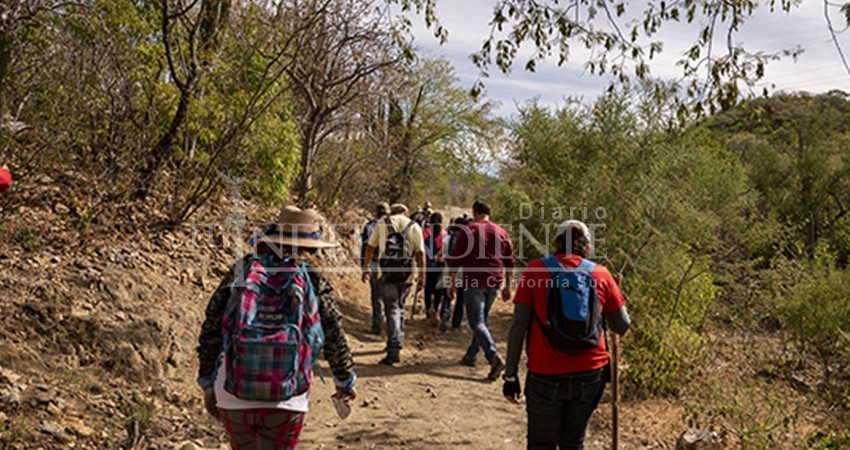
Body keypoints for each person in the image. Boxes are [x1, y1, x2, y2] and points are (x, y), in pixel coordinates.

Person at [197, 206, 357, 450]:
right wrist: (344, 380)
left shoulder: (242, 270)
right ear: (309, 246)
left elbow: (213, 325)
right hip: (289, 396)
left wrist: (207, 382)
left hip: (232, 390)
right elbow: (332, 332)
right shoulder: (311, 278)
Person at [503, 220, 631, 450]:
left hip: (545, 373)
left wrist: (510, 376)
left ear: (557, 243)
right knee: (573, 443)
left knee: (541, 445)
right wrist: (617, 297)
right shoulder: (601, 274)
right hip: (591, 374)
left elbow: (518, 327)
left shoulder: (536, 270)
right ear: (587, 246)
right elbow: (621, 326)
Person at [447, 200, 515, 381]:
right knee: (481, 320)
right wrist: (508, 286)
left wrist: (451, 282)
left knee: (476, 321)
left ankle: (493, 357)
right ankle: (471, 355)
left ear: (475, 212)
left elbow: (455, 259)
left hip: (474, 280)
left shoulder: (468, 230)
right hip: (494, 282)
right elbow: (510, 262)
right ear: (489, 213)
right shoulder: (501, 232)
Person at [361, 203, 425, 366]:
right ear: (406, 212)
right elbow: (420, 253)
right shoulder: (414, 226)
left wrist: (366, 268)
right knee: (400, 307)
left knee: (392, 309)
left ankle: (394, 347)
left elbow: (370, 247)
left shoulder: (382, 224)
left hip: (387, 273)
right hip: (407, 274)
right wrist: (422, 276)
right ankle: (397, 340)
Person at [362, 202, 390, 334]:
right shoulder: (392, 226)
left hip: (374, 263)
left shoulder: (370, 226)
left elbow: (365, 248)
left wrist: (364, 266)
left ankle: (377, 325)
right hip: (389, 264)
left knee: (376, 295)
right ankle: (390, 323)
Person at [437, 216, 469, 332]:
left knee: (447, 294)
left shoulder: (447, 237)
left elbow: (441, 253)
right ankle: (456, 324)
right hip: (463, 271)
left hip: (449, 269)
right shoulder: (469, 239)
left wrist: (437, 258)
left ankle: (445, 313)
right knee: (461, 298)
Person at [422, 212, 447, 323]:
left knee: (428, 288)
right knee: (439, 289)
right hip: (440, 265)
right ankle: (435, 308)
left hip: (428, 264)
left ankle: (428, 311)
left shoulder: (425, 232)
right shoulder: (444, 234)